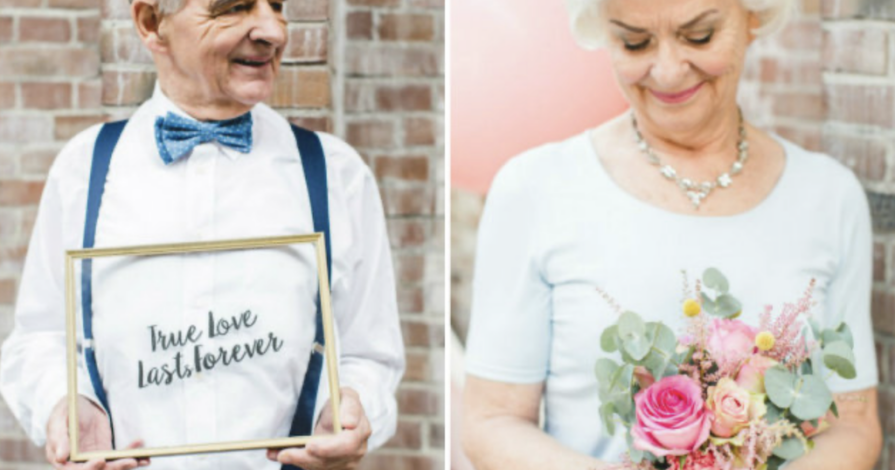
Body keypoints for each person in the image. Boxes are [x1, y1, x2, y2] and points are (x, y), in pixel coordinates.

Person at [461, 0, 883, 469]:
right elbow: (491, 422)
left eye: (698, 36)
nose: (666, 71)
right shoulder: (533, 189)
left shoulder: (830, 196)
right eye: (634, 42)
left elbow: (853, 425)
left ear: (753, 17)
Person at [0, 0, 405, 468]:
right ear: (152, 23)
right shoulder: (83, 169)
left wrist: (351, 406)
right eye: (233, 7)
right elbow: (40, 336)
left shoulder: (337, 174)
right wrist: (65, 403)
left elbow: (369, 354)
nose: (273, 30)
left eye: (275, 5)